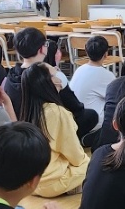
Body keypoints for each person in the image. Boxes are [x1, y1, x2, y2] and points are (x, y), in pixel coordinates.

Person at [4, 27, 96, 139]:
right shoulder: (50, 77)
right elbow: (75, 108)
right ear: (42, 49)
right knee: (90, 115)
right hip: (45, 129)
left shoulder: (10, 76)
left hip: (20, 128)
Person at [18, 63, 91, 197]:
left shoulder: (28, 110)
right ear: (46, 82)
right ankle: (73, 186)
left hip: (28, 182)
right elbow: (76, 156)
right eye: (55, 74)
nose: (59, 76)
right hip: (50, 183)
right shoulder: (57, 112)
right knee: (93, 163)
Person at [68, 35, 115, 139]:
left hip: (74, 120)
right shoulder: (107, 76)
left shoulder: (79, 70)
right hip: (93, 122)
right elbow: (117, 98)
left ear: (86, 51)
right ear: (106, 54)